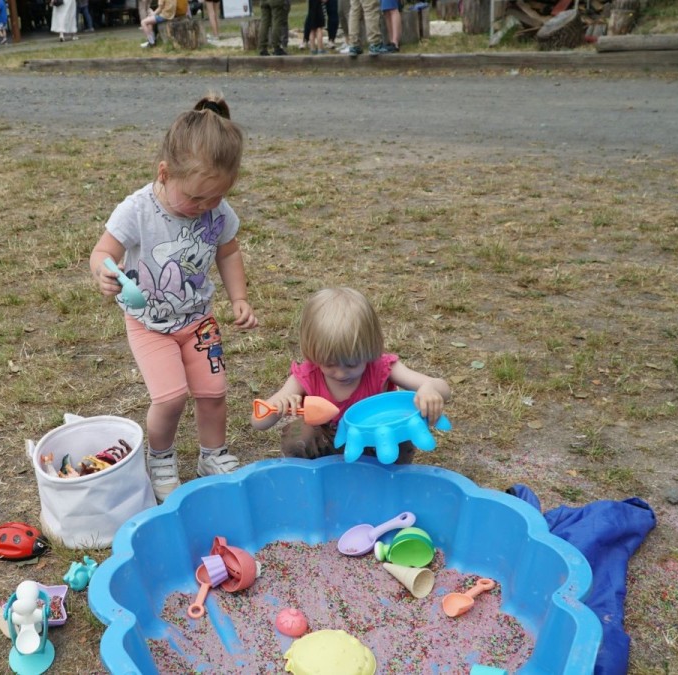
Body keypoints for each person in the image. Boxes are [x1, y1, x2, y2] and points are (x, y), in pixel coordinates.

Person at [89, 95, 257, 502]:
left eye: (215, 197)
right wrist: (104, 273)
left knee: (214, 392)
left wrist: (239, 297)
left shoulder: (217, 211)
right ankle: (160, 457)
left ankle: (211, 455)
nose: (205, 207)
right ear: (164, 173)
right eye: (196, 198)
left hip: (198, 319)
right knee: (169, 397)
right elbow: (102, 252)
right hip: (150, 324)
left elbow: (227, 250)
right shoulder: (137, 210)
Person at [251, 287, 450, 463]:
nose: (341, 373)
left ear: (370, 350)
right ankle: (313, 479)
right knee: (298, 435)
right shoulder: (307, 375)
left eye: (352, 364)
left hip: (376, 442)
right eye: (329, 364)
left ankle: (389, 481)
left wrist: (429, 389)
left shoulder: (381, 367)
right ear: (314, 353)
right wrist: (280, 405)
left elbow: (442, 389)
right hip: (328, 444)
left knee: (396, 436)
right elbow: (258, 422)